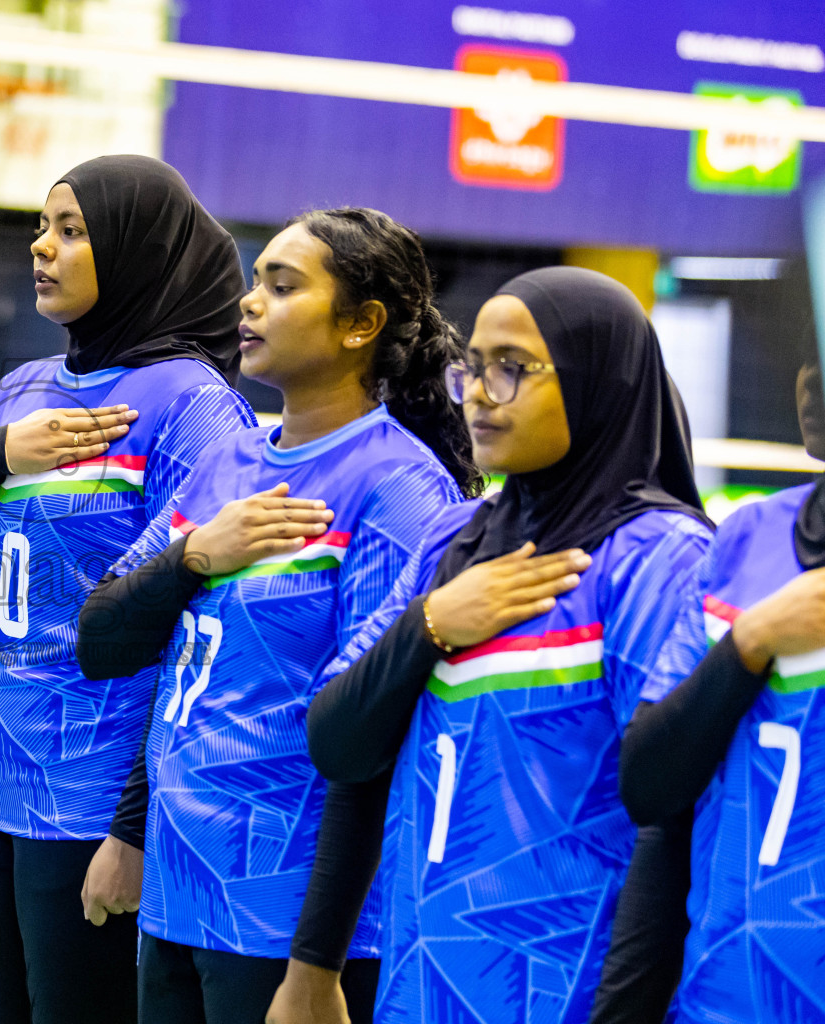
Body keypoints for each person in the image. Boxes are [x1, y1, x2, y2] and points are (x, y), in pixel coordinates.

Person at [74, 208, 483, 1024]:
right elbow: (103, 639)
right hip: (179, 888)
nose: (249, 303)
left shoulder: (398, 488)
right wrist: (193, 558)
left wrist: (315, 958)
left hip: (288, 912)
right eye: (255, 281)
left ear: (363, 324)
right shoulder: (230, 459)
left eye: (282, 286)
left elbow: (367, 737)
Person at [0, 154, 258, 1024]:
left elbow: (192, 631)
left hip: (92, 793)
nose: (40, 246)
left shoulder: (191, 405)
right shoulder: (18, 391)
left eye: (72, 230)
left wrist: (132, 825)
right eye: (44, 226)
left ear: (135, 249)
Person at [300, 267, 712, 1024]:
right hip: (420, 980)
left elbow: (671, 817)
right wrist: (430, 626)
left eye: (513, 369)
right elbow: (336, 741)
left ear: (596, 382)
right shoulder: (452, 541)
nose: (481, 393)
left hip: (565, 988)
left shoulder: (657, 557)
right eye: (474, 367)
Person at [618, 359, 825, 1024]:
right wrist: (751, 641)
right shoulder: (748, 537)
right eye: (814, 361)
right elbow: (651, 786)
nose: (812, 385)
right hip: (722, 997)